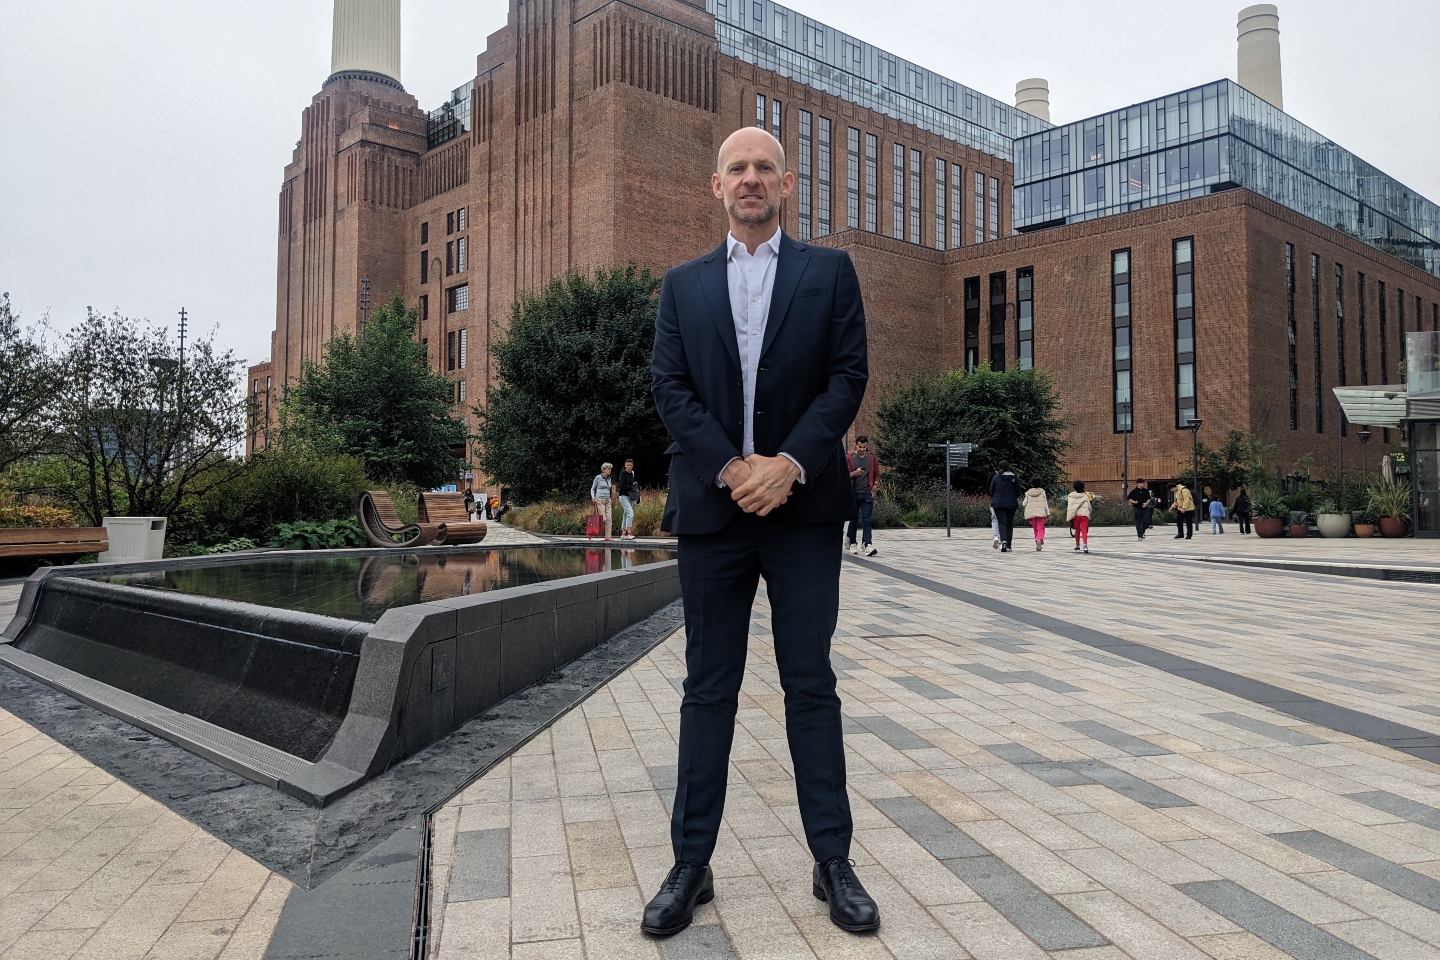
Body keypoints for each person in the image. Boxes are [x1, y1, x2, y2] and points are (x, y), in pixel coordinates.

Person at [647, 126, 878, 938]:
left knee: (810, 683)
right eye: (737, 168)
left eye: (765, 168)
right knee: (707, 688)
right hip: (714, 514)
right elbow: (670, 388)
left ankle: (832, 860)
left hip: (803, 512)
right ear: (717, 186)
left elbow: (847, 376)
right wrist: (732, 468)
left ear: (786, 184)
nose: (751, 178)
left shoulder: (829, 272)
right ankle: (691, 863)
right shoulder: (682, 285)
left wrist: (789, 463)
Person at [845, 436, 879, 556]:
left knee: (867, 519)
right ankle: (852, 542)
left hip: (866, 493)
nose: (862, 449)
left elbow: (876, 474)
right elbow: (843, 476)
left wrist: (875, 485)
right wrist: (855, 473)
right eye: (860, 447)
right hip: (853, 493)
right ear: (856, 445)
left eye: (864, 447)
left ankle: (867, 544)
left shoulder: (871, 458)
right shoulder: (849, 458)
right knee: (853, 519)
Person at [988, 460, 1021, 552]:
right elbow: (1018, 492)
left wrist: (996, 497)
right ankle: (1009, 545)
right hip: (1011, 503)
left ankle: (1003, 541)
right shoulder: (1013, 478)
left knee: (1001, 523)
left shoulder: (996, 477)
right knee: (1009, 523)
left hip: (998, 503)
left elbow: (991, 490)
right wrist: (1012, 497)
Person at [1022, 479, 1049, 551]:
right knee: (1041, 527)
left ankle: (1037, 539)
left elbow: (1024, 503)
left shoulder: (1028, 493)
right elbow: (1045, 503)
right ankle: (1039, 539)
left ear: (1031, 484)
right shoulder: (1042, 492)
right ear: (1040, 484)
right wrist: (1047, 513)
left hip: (1032, 513)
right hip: (1041, 512)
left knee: (1035, 527)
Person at [591, 462, 615, 542]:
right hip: (600, 500)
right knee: (603, 518)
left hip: (608, 500)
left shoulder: (609, 479)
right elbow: (593, 488)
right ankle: (591, 531)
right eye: (608, 469)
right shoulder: (598, 477)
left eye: (610, 469)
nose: (610, 470)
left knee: (609, 518)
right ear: (604, 470)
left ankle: (608, 536)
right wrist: (593, 497)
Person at [1067, 481, 1093, 553]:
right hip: (1084, 515)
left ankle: (1077, 545)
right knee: (1084, 530)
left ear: (1074, 487)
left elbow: (1069, 507)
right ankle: (1085, 545)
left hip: (1076, 516)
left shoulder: (1071, 496)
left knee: (1077, 530)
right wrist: (1089, 512)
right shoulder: (1085, 496)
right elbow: (1089, 507)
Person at [617, 459, 640, 540]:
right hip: (623, 496)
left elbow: (630, 483)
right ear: (625, 465)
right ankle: (629, 532)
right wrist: (631, 488)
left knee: (626, 514)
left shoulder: (632, 473)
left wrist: (633, 484)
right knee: (630, 513)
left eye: (630, 465)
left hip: (629, 496)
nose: (629, 467)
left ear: (632, 466)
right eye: (628, 465)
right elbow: (622, 485)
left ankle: (623, 533)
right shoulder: (623, 473)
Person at [989, 465, 1002, 549]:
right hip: (1005, 502)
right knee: (1003, 521)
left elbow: (989, 489)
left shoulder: (993, 476)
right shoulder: (1008, 477)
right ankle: (1002, 540)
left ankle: (996, 537)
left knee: (994, 520)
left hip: (994, 501)